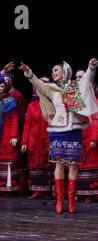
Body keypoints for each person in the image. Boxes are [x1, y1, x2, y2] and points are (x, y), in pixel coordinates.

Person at [20, 58, 98, 213]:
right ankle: (60, 201)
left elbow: (87, 80)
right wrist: (29, 73)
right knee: (59, 164)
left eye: (56, 70)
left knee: (73, 165)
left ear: (65, 72)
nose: (53, 73)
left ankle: (72, 202)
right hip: (57, 131)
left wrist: (91, 67)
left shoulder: (76, 87)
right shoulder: (52, 89)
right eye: (53, 71)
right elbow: (38, 84)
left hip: (73, 130)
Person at [21, 77, 53, 200]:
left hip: (47, 139)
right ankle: (37, 190)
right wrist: (24, 142)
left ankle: (48, 191)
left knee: (47, 164)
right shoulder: (32, 106)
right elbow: (27, 125)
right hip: (33, 141)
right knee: (35, 165)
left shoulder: (53, 105)